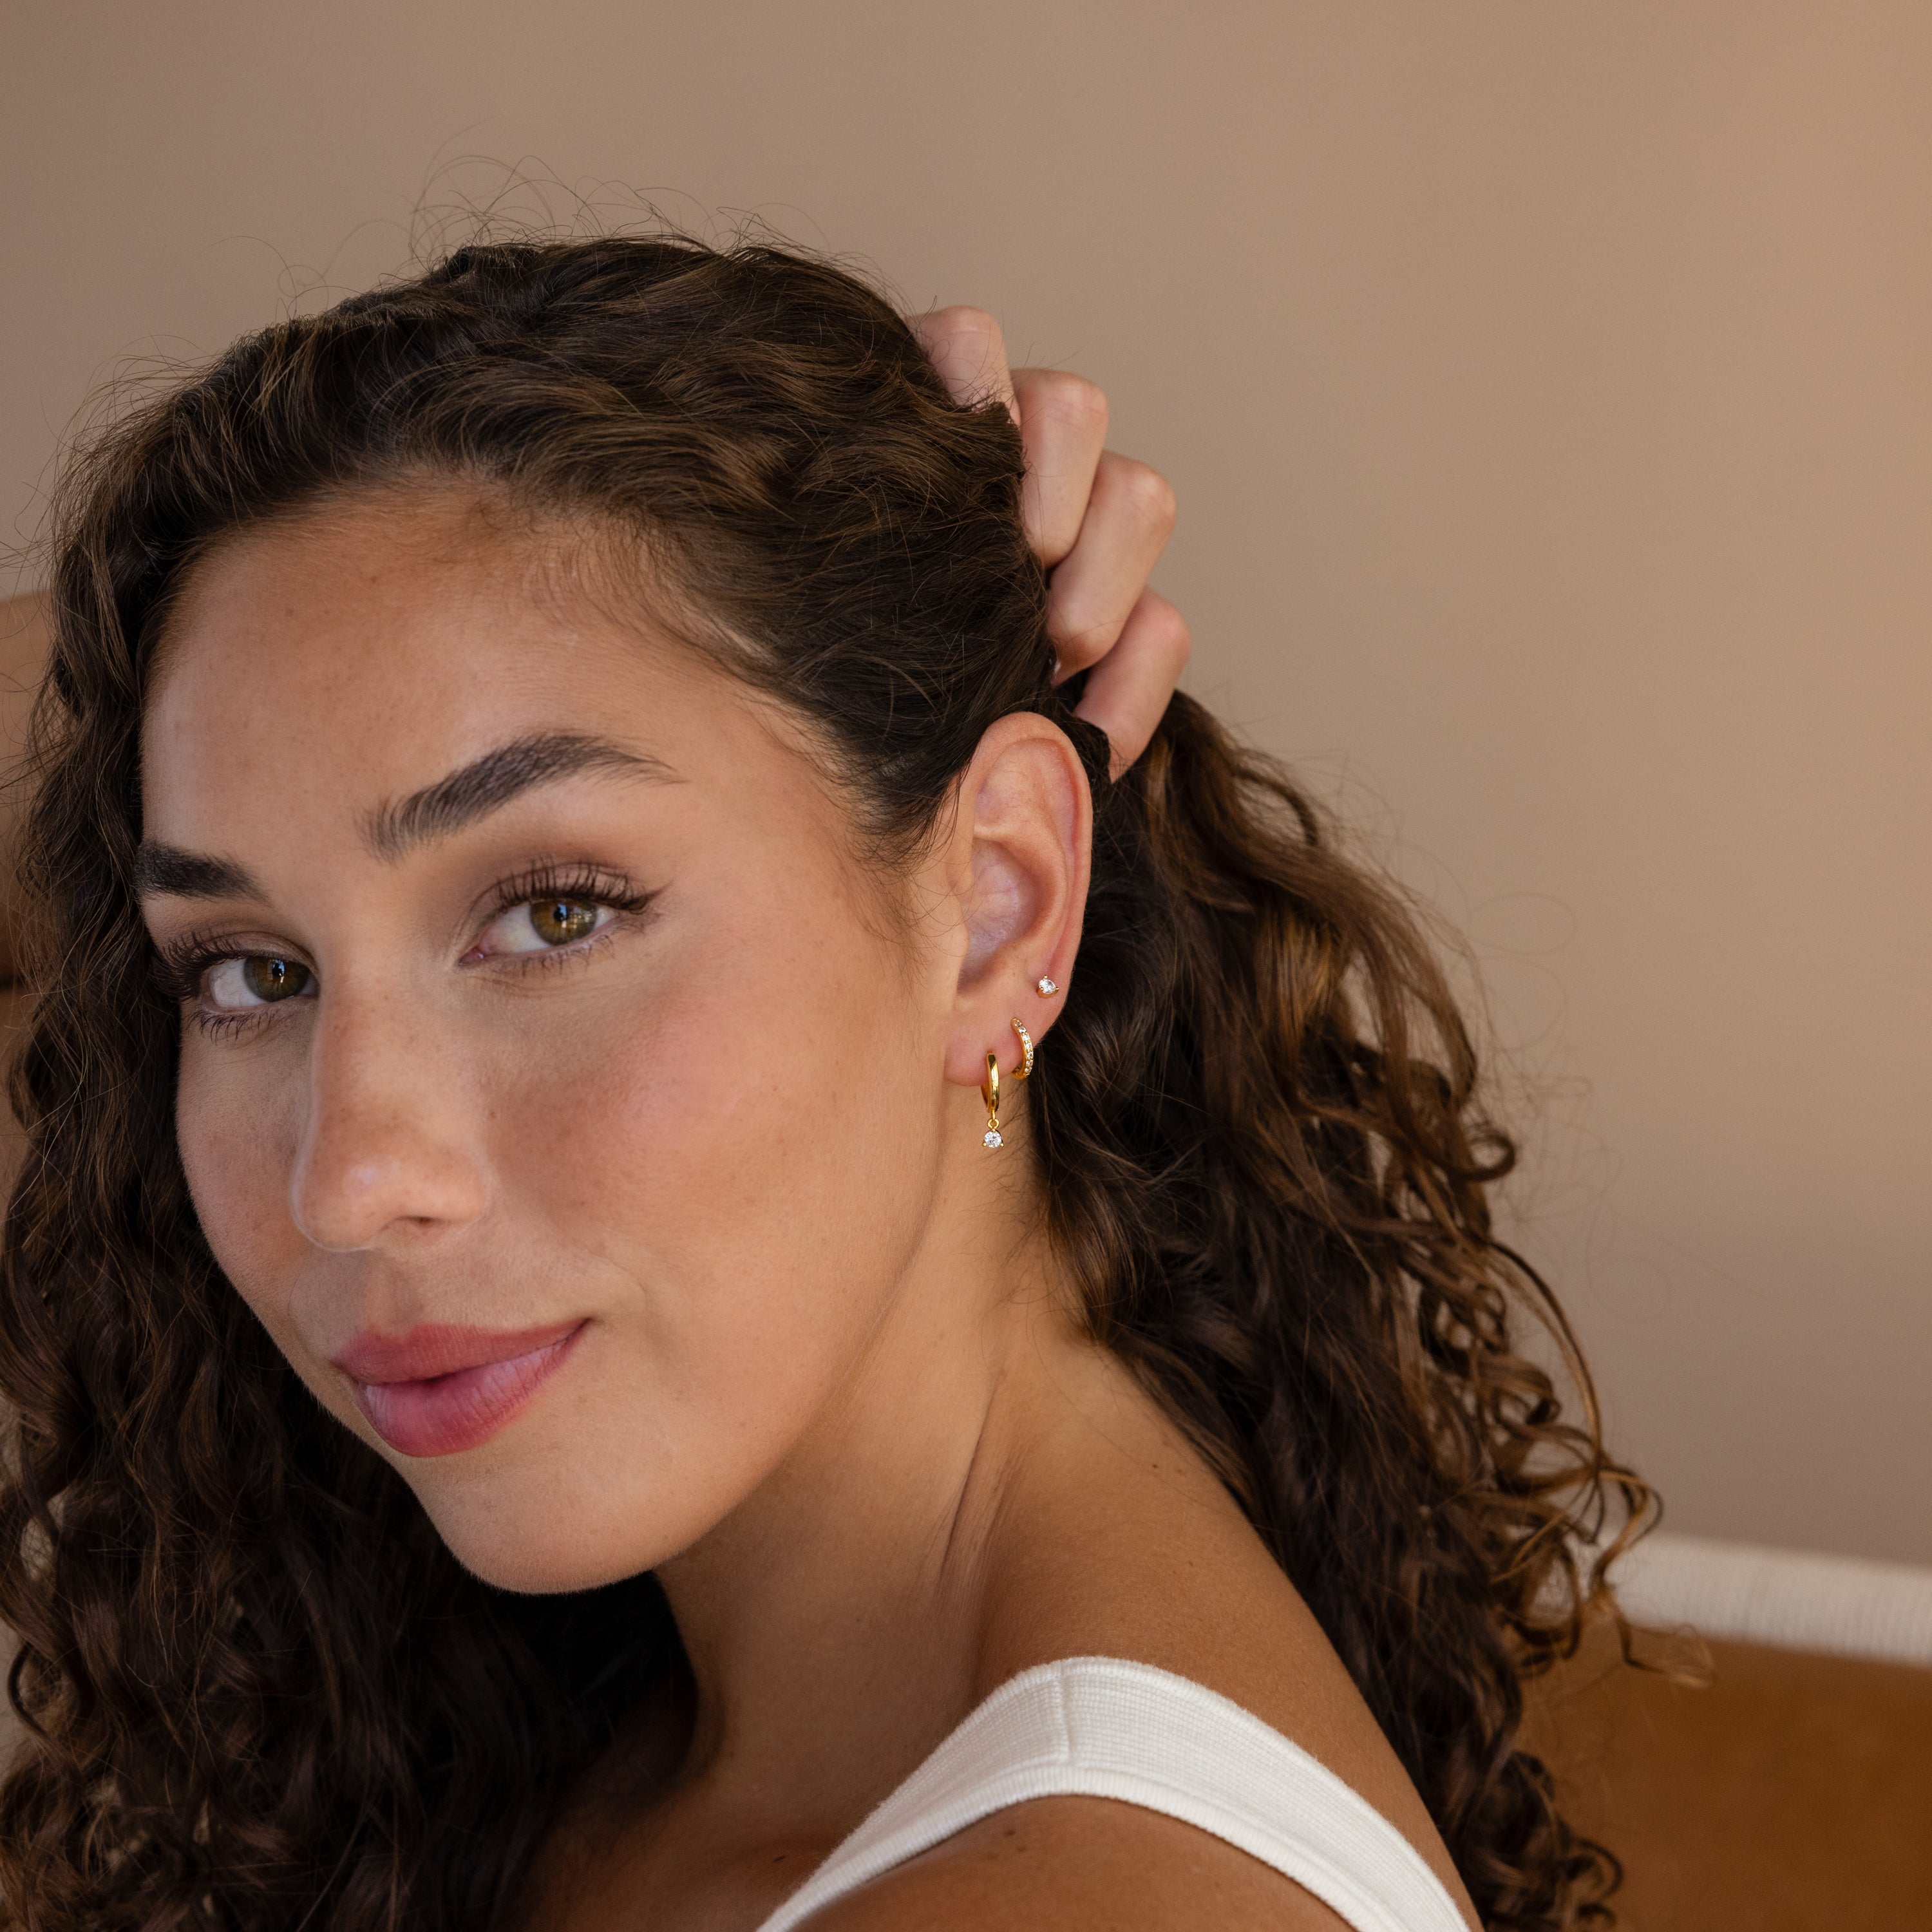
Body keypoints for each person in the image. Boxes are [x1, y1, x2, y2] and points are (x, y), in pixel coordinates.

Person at [0, 235, 1647, 1932]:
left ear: (998, 898)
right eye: (253, 973)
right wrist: (853, 532)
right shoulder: (657, 1708)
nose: (348, 1179)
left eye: (555, 913)